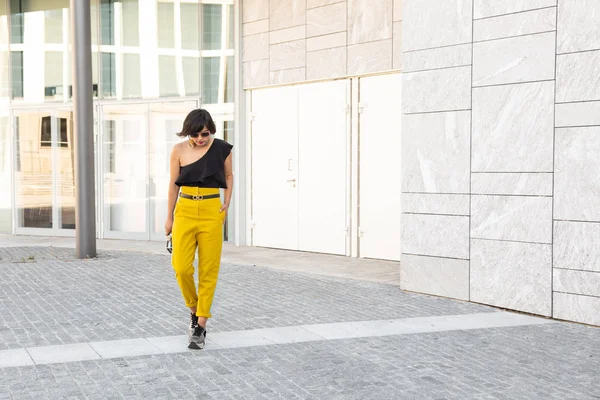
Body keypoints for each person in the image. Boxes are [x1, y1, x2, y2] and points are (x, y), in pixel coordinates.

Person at [164, 109, 233, 350]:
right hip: (184, 209)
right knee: (180, 267)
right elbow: (173, 186)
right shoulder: (178, 151)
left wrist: (227, 202)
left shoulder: (222, 148)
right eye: (195, 134)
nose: (200, 139)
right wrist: (169, 218)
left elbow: (229, 175)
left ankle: (201, 325)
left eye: (204, 133)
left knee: (208, 269)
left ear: (211, 129)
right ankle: (194, 310)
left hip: (211, 210)